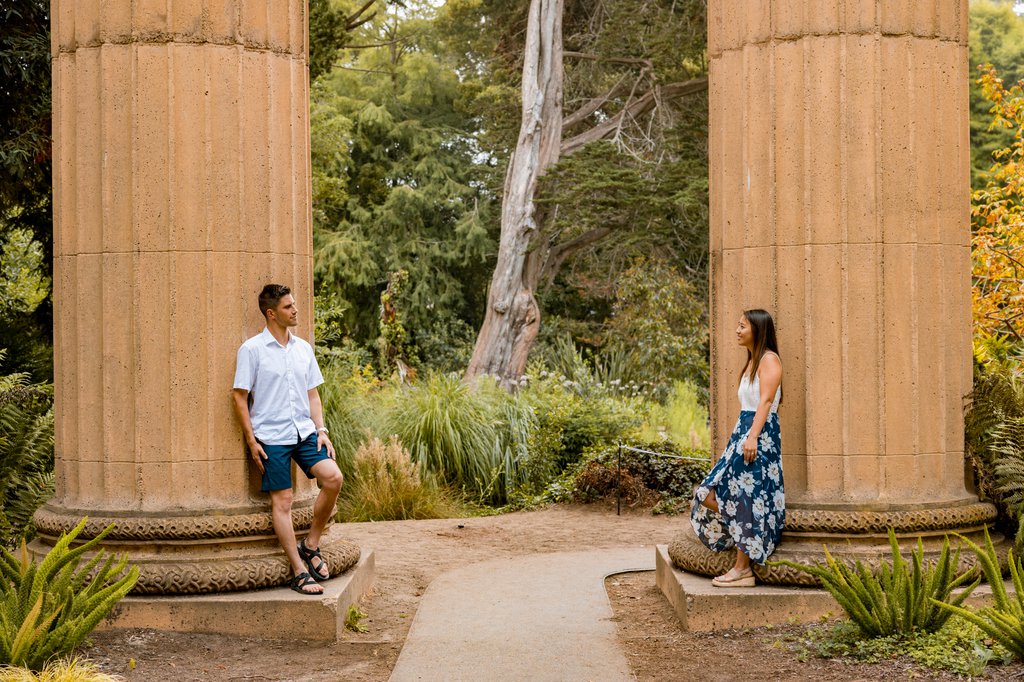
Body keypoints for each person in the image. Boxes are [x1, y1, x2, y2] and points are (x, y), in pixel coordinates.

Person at [232, 284, 344, 595]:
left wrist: (321, 430)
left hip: (304, 432)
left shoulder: (303, 348)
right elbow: (239, 397)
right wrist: (252, 441)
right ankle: (298, 570)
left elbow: (313, 394)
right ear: (271, 313)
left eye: (293, 305)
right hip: (271, 437)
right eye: (287, 307)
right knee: (283, 501)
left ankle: (311, 544)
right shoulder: (252, 350)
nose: (295, 311)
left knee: (333, 478)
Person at [690, 309, 784, 587]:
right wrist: (741, 437)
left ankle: (743, 569)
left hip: (759, 435)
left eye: (742, 326)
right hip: (743, 433)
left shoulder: (769, 360)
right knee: (708, 492)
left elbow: (766, 403)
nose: (737, 330)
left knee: (747, 498)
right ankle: (745, 534)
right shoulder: (752, 362)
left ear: (758, 329)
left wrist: (753, 436)